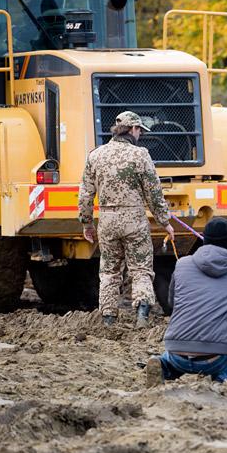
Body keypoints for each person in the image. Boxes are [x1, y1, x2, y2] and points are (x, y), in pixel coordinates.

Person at [145, 217, 227, 385]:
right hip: (215, 360)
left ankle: (164, 365)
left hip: (177, 352)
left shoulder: (182, 265)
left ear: (204, 240)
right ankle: (222, 378)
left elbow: (172, 303)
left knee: (176, 358)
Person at [78, 110, 174, 327]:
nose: (140, 134)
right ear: (133, 129)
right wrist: (164, 222)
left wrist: (87, 224)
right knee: (140, 269)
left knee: (110, 271)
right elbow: (154, 192)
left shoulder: (95, 155)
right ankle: (142, 314)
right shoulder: (141, 155)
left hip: (107, 220)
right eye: (140, 129)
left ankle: (109, 317)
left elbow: (85, 194)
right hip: (134, 220)